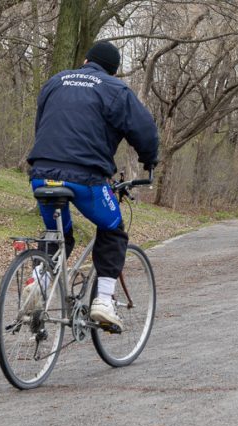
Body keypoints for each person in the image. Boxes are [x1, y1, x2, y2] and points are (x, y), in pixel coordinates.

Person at [26, 41, 159, 329]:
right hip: (86, 178)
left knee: (59, 233)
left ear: (85, 60)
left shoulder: (55, 81)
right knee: (113, 229)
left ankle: (37, 283)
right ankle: (103, 301)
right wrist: (149, 161)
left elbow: (43, 124)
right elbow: (145, 130)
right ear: (113, 70)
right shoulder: (115, 89)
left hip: (41, 172)